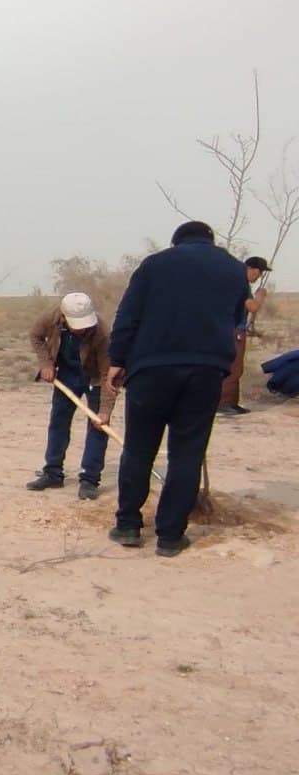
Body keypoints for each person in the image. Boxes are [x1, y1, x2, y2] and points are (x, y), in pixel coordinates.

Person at [106, 221, 252, 557]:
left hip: (151, 369)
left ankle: (128, 524)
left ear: (177, 242)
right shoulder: (234, 270)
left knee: (140, 449)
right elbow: (235, 321)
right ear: (210, 242)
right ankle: (170, 536)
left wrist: (117, 360)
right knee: (186, 452)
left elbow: (128, 315)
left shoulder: (155, 264)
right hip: (206, 371)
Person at [26, 292, 116, 500]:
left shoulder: (102, 332)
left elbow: (107, 375)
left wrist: (104, 411)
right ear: (64, 317)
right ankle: (53, 473)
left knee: (98, 426)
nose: (82, 329)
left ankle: (90, 479)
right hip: (66, 374)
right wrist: (46, 364)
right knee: (58, 422)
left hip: (94, 377)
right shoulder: (52, 316)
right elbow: (36, 337)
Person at [217, 256, 271, 415]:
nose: (258, 277)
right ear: (253, 269)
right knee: (234, 367)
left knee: (235, 367)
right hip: (235, 331)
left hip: (228, 328)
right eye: (259, 273)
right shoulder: (241, 284)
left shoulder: (231, 281)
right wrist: (260, 296)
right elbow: (253, 307)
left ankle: (232, 402)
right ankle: (225, 402)